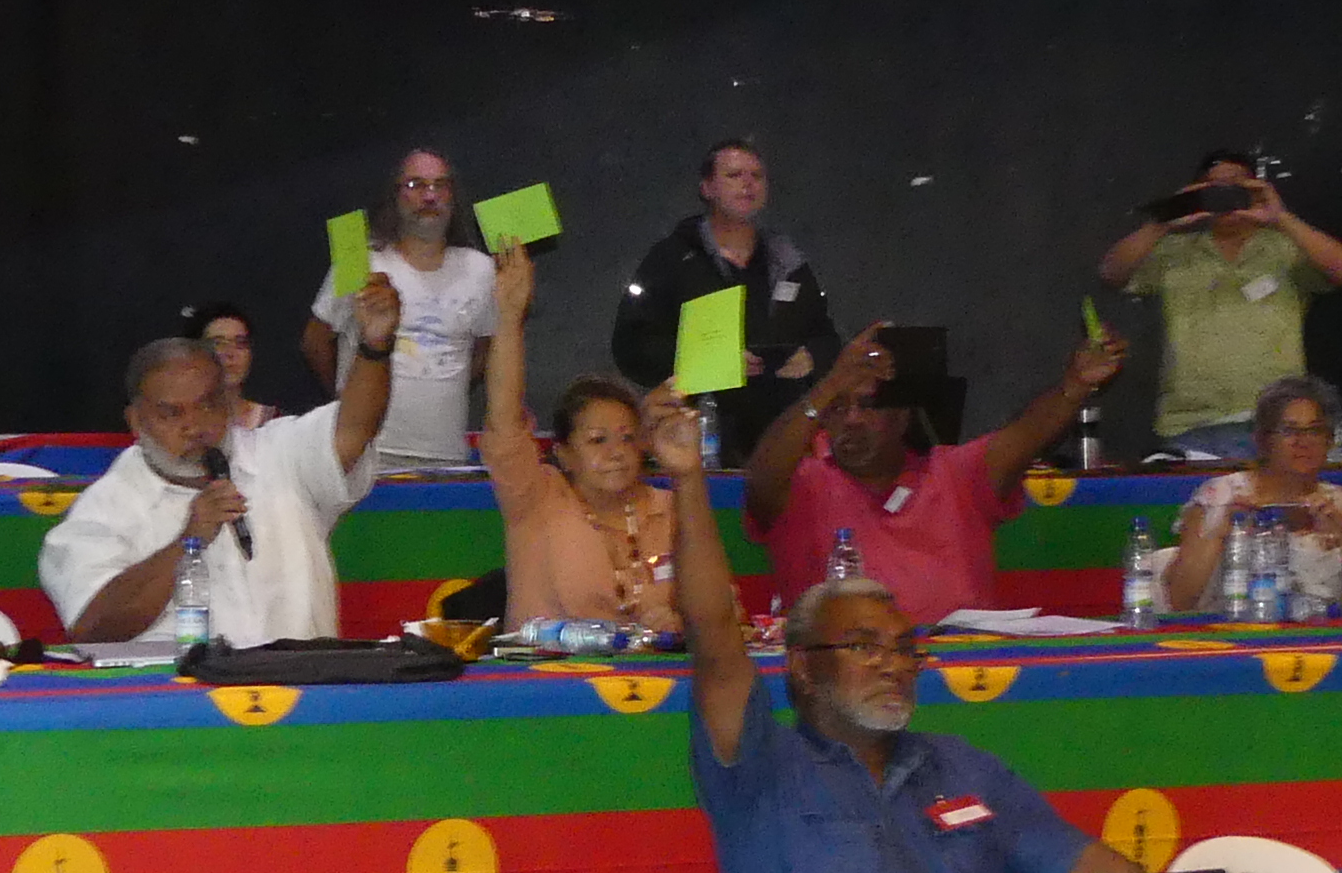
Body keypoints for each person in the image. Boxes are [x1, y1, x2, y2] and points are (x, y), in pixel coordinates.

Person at [667, 389, 1287, 873]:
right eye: (862, 646)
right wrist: (689, 478)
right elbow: (715, 635)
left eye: (904, 648)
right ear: (802, 667)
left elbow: (1086, 870)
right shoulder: (760, 771)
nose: (892, 665)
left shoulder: (961, 768)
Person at [44, 270, 403, 643]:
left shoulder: (280, 453)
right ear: (136, 421)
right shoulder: (106, 507)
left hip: (301, 677)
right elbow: (94, 629)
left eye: (207, 405)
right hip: (180, 683)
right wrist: (190, 540)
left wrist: (375, 346)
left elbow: (355, 428)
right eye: (171, 413)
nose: (194, 425)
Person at [744, 318, 1128, 633]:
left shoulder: (956, 473)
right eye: (837, 408)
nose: (852, 420)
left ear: (902, 417)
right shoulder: (801, 485)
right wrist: (830, 383)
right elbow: (760, 478)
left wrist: (1077, 384)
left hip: (960, 670)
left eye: (867, 406)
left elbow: (1029, 434)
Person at [1096, 152, 1342, 463]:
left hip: (1279, 423)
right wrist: (1165, 219)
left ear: (1255, 189)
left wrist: (1280, 217)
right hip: (1192, 425)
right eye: (1213, 187)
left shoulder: (1285, 248)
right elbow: (1111, 273)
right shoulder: (1173, 251)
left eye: (1236, 185)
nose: (1225, 195)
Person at [482, 240, 679, 637]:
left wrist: (682, 623)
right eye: (597, 440)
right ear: (564, 454)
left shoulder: (670, 509)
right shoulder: (536, 498)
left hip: (652, 672)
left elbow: (720, 605)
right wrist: (509, 316)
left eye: (627, 438)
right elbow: (504, 419)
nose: (617, 453)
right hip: (544, 674)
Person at [610, 136, 842, 453]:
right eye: (734, 175)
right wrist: (711, 363)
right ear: (707, 188)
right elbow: (632, 345)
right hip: (700, 439)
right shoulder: (672, 259)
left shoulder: (789, 263)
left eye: (756, 176)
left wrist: (813, 356)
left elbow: (827, 337)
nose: (748, 184)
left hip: (785, 441)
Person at [300, 148, 495, 471]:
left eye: (440, 185)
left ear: (453, 196)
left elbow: (486, 351)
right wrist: (348, 398)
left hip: (446, 453)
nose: (429, 196)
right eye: (416, 185)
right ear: (395, 195)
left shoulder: (481, 269)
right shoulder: (358, 260)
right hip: (366, 451)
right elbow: (314, 342)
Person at [1162, 375, 1342, 614]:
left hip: (1321, 629)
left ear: (1329, 441)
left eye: (1315, 431)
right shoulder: (1220, 497)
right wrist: (1220, 532)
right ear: (1263, 440)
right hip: (1233, 628)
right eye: (1289, 430)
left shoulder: (1340, 502)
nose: (1303, 442)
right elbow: (1179, 601)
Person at [181, 300, 278, 429]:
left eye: (240, 343)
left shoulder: (275, 423)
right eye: (217, 343)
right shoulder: (175, 423)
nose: (230, 353)